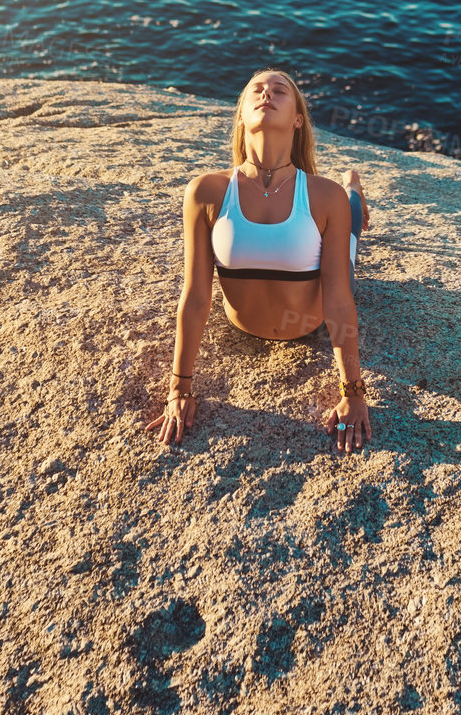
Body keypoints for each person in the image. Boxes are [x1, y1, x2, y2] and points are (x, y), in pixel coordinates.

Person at [146, 69, 372, 453]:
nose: (267, 93)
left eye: (280, 90)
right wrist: (178, 388)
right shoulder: (207, 192)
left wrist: (353, 391)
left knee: (349, 238)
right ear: (240, 117)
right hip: (244, 326)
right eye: (257, 90)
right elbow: (196, 296)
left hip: (311, 321)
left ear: (298, 120)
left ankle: (355, 191)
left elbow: (337, 300)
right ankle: (355, 199)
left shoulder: (321, 195)